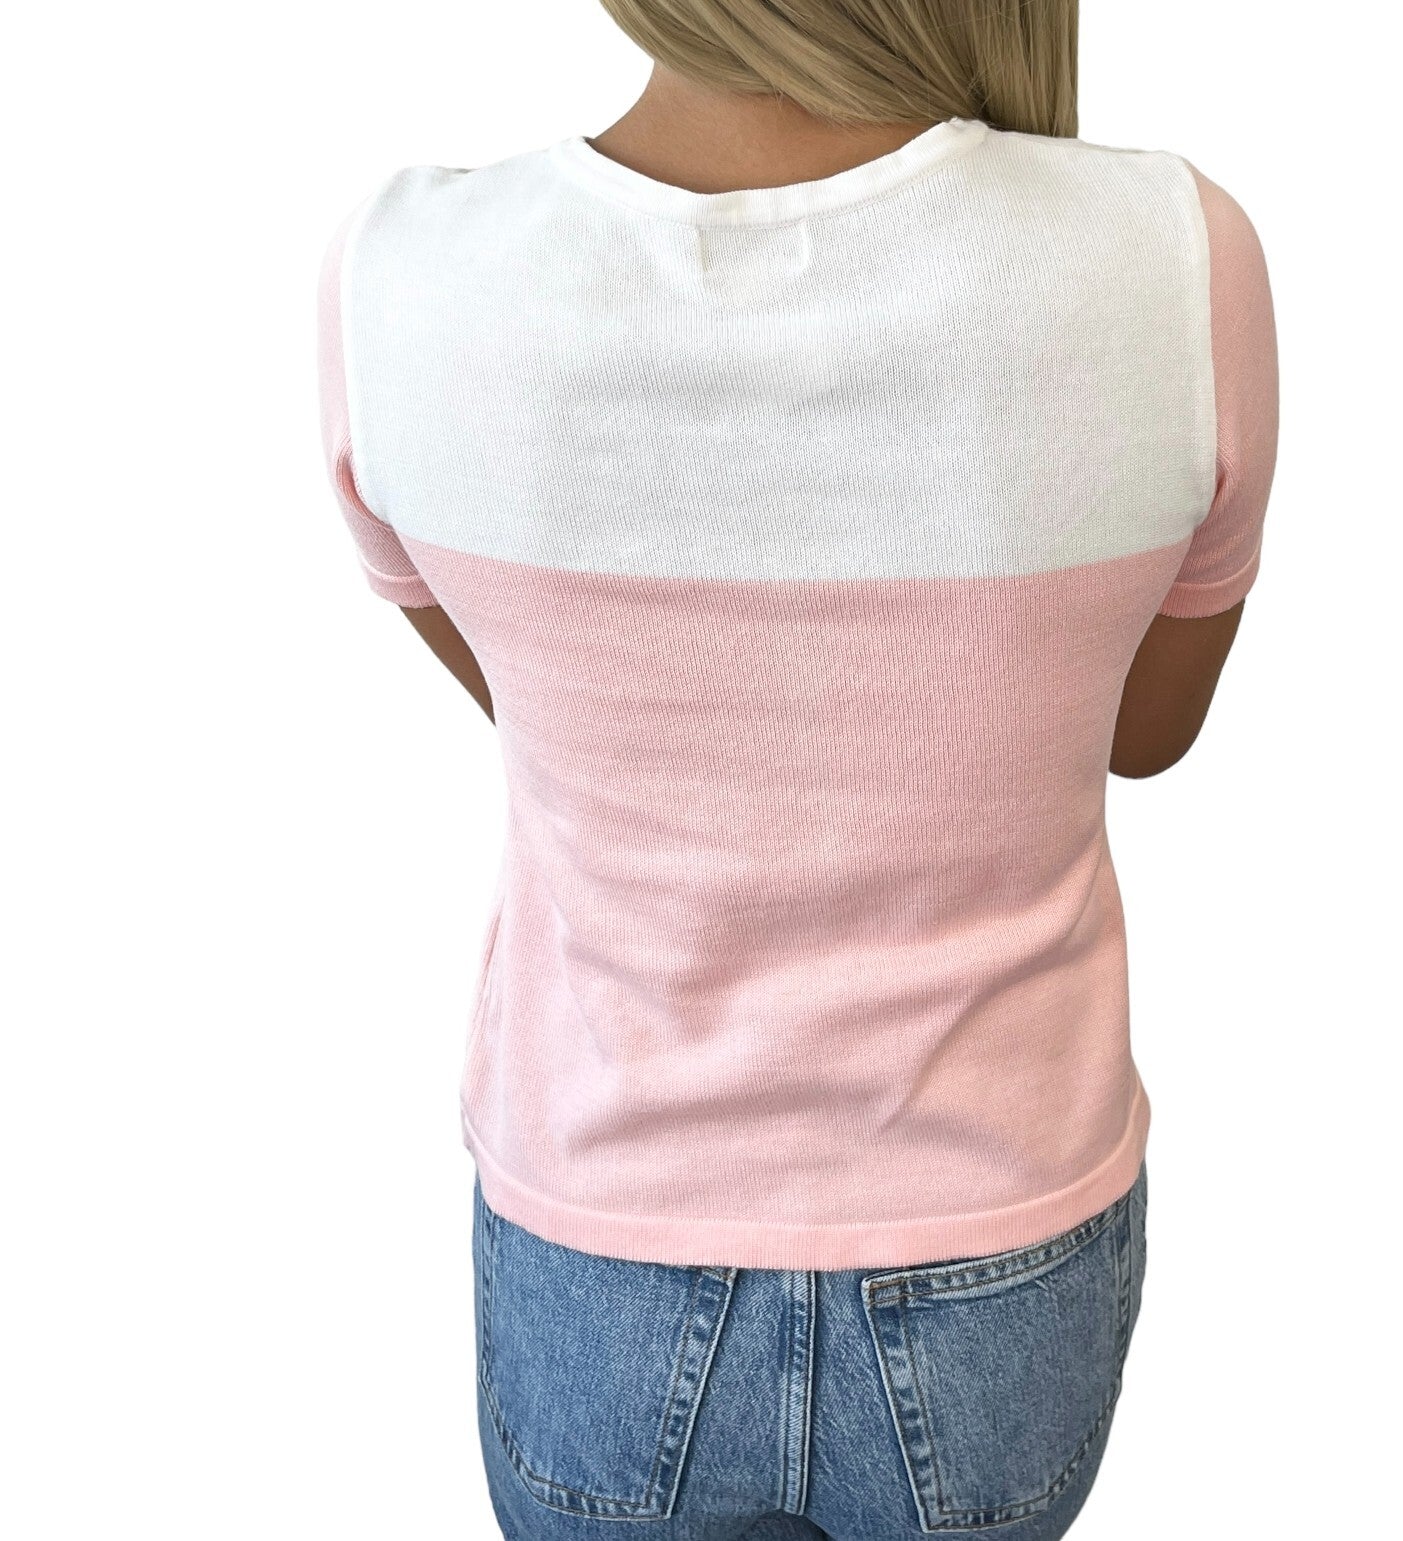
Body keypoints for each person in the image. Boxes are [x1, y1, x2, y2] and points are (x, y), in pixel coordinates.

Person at [315, 2, 1278, 1535]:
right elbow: (1146, 731)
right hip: (998, 1253)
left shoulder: (404, 274)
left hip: (602, 1239)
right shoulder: (1171, 253)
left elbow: (528, 701)